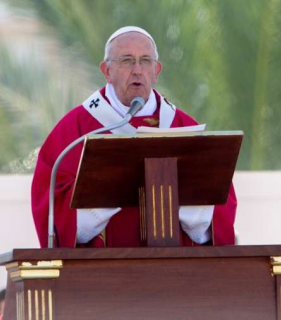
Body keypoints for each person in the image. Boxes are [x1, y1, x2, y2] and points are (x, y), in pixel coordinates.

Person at [31, 26, 236, 248]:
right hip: (101, 275)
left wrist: (171, 190)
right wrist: (118, 183)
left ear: (156, 71)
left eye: (146, 61)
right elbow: (53, 211)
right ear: (106, 71)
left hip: (176, 274)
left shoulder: (183, 127)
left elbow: (216, 214)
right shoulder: (76, 129)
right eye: (127, 60)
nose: (137, 70)